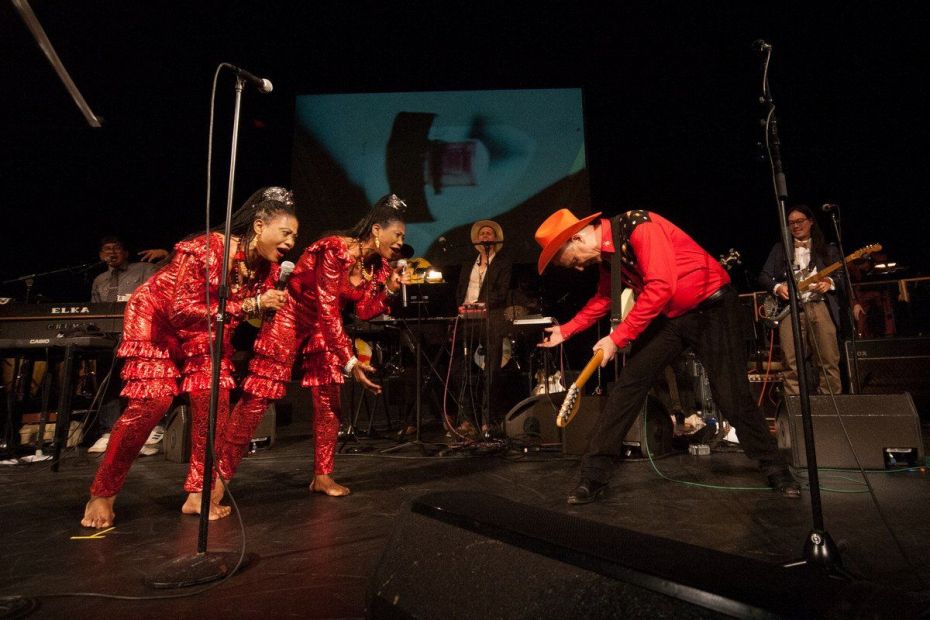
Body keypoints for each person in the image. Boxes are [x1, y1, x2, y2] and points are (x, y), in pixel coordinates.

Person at [535, 208, 799, 504]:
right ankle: (593, 476)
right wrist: (567, 330)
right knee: (627, 387)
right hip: (673, 317)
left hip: (712, 309)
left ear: (578, 237)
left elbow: (661, 286)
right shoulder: (609, 257)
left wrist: (617, 338)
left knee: (732, 397)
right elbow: (604, 299)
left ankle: (775, 466)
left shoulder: (639, 227)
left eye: (573, 261)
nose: (579, 268)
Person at [80, 187, 298, 528]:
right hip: (156, 318)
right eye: (285, 233)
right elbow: (181, 311)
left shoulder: (267, 272)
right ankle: (103, 493)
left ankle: (200, 492)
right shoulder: (207, 249)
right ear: (258, 226)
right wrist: (253, 305)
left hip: (206, 329)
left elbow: (230, 319)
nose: (290, 243)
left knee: (213, 399)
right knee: (153, 402)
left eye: (294, 237)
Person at [215, 194, 409, 497]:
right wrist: (350, 360)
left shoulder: (379, 268)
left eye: (402, 238)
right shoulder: (335, 249)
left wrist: (390, 290)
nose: (400, 242)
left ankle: (323, 475)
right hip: (290, 314)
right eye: (397, 235)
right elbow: (329, 307)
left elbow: (363, 311)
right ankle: (217, 479)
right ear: (375, 230)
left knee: (330, 395)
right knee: (259, 396)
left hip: (321, 325)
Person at [88, 236, 164, 456]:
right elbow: (94, 311)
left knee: (142, 381)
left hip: (139, 336)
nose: (112, 253)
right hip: (109, 338)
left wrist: (166, 255)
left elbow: (161, 288)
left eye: (116, 248)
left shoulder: (143, 269)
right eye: (106, 249)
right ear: (101, 255)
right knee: (108, 381)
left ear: (125, 252)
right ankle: (108, 431)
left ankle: (149, 427)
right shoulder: (99, 280)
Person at [758, 205, 846, 396]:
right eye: (791, 223)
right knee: (791, 363)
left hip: (820, 306)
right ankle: (797, 410)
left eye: (800, 221)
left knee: (828, 360)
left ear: (811, 222)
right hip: (791, 311)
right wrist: (778, 287)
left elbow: (842, 277)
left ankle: (831, 408)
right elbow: (764, 276)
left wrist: (829, 282)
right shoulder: (780, 249)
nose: (796, 226)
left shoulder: (828, 249)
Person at [451, 220, 512, 436]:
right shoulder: (470, 263)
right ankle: (467, 419)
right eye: (482, 233)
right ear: (478, 239)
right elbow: (461, 289)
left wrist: (483, 304)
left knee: (491, 372)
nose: (486, 236)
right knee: (463, 371)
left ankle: (489, 420)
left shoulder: (503, 263)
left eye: (489, 233)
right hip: (468, 320)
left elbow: (502, 292)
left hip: (492, 320)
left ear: (495, 239)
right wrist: (464, 306)